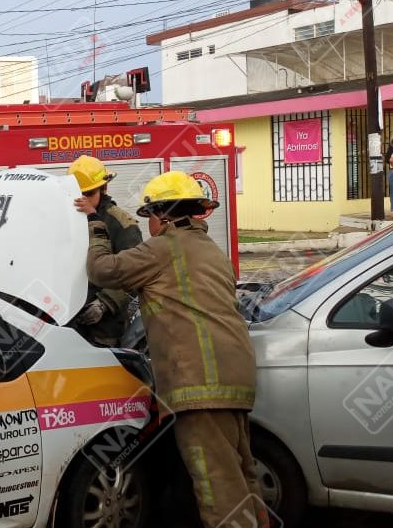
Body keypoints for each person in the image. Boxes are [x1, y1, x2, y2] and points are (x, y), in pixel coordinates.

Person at [81, 171, 267, 528]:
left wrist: (94, 222)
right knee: (241, 476)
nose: (147, 221)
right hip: (235, 379)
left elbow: (103, 270)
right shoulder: (210, 250)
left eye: (149, 213)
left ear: (164, 215)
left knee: (215, 486)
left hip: (200, 386)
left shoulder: (163, 247)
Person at [69, 156, 142, 346]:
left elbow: (134, 274)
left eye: (89, 193)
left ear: (104, 189)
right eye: (78, 193)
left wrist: (104, 303)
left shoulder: (121, 224)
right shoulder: (67, 220)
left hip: (106, 327)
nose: (83, 200)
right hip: (69, 322)